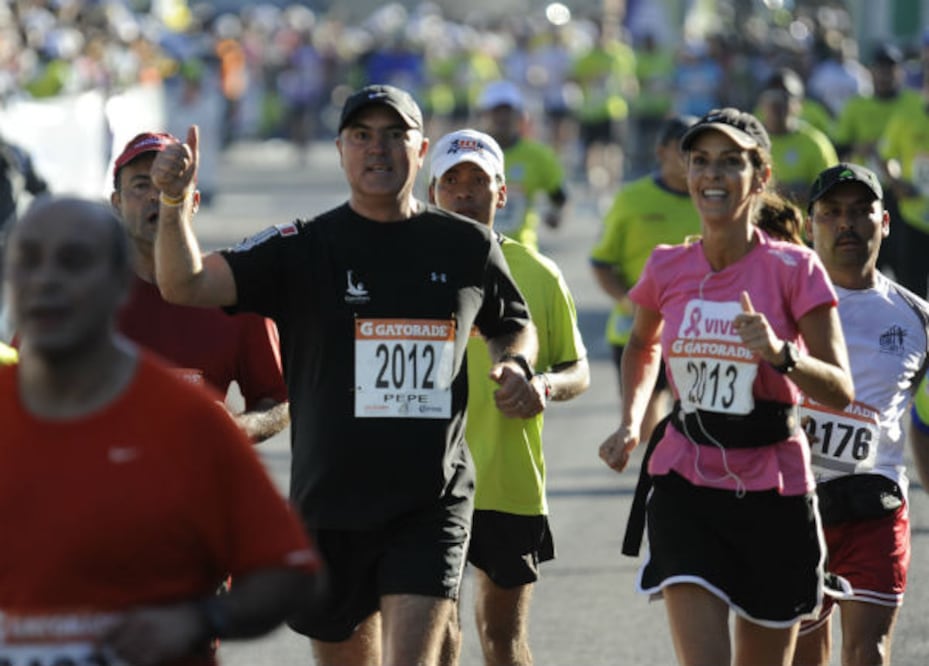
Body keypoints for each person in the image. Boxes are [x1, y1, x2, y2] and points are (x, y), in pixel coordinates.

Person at [150, 84, 538, 666]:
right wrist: (175, 204)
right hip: (329, 508)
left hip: (429, 502)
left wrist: (514, 362)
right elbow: (184, 285)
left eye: (393, 135)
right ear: (340, 150)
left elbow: (512, 321)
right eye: (361, 136)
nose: (376, 149)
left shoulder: (467, 245)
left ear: (422, 147)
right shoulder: (302, 247)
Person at [0, 195, 321, 665]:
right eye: (28, 260)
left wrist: (200, 619)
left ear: (117, 284)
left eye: (73, 261)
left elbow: (288, 572)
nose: (47, 280)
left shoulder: (186, 420)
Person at [598, 108, 854, 666]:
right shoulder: (667, 266)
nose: (711, 176)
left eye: (730, 163)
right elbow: (642, 344)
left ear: (760, 176)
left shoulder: (795, 268)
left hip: (773, 489)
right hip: (685, 483)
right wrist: (629, 420)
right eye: (701, 162)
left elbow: (839, 388)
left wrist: (781, 355)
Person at [426, 129, 590, 665]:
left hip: (508, 480)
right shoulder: (404, 270)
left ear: (502, 193)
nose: (465, 192)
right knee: (437, 636)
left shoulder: (538, 274)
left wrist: (544, 385)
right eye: (452, 181)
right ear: (433, 193)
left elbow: (578, 367)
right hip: (425, 482)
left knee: (501, 639)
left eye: (479, 181)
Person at [792, 163, 929, 666]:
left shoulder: (916, 317)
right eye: (831, 213)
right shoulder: (783, 303)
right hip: (795, 506)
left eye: (859, 211)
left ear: (885, 222)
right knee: (804, 655)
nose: (845, 223)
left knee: (866, 651)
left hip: (877, 505)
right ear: (811, 226)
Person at [110, 130, 289, 443]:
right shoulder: (82, 298)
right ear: (117, 203)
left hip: (201, 487)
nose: (157, 195)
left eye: (171, 185)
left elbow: (278, 400)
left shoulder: (231, 291)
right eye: (141, 185)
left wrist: (238, 428)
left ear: (193, 201)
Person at [590, 114, 700, 445]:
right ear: (661, 151)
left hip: (699, 330)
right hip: (636, 329)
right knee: (650, 417)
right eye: (683, 149)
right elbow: (602, 263)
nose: (689, 159)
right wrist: (628, 300)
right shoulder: (631, 198)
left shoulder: (713, 200)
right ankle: (656, 482)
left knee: (695, 418)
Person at [475, 80, 568, 251]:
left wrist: (555, 215)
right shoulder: (469, 154)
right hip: (476, 251)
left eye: (507, 111)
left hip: (521, 251)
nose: (502, 118)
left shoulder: (537, 155)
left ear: (519, 115)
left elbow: (559, 196)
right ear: (485, 114)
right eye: (497, 111)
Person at [755, 71, 839, 210]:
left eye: (785, 96)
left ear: (800, 104)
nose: (777, 103)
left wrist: (794, 193)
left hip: (803, 231)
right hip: (760, 231)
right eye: (771, 95)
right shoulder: (749, 143)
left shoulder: (815, 142)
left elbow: (833, 193)